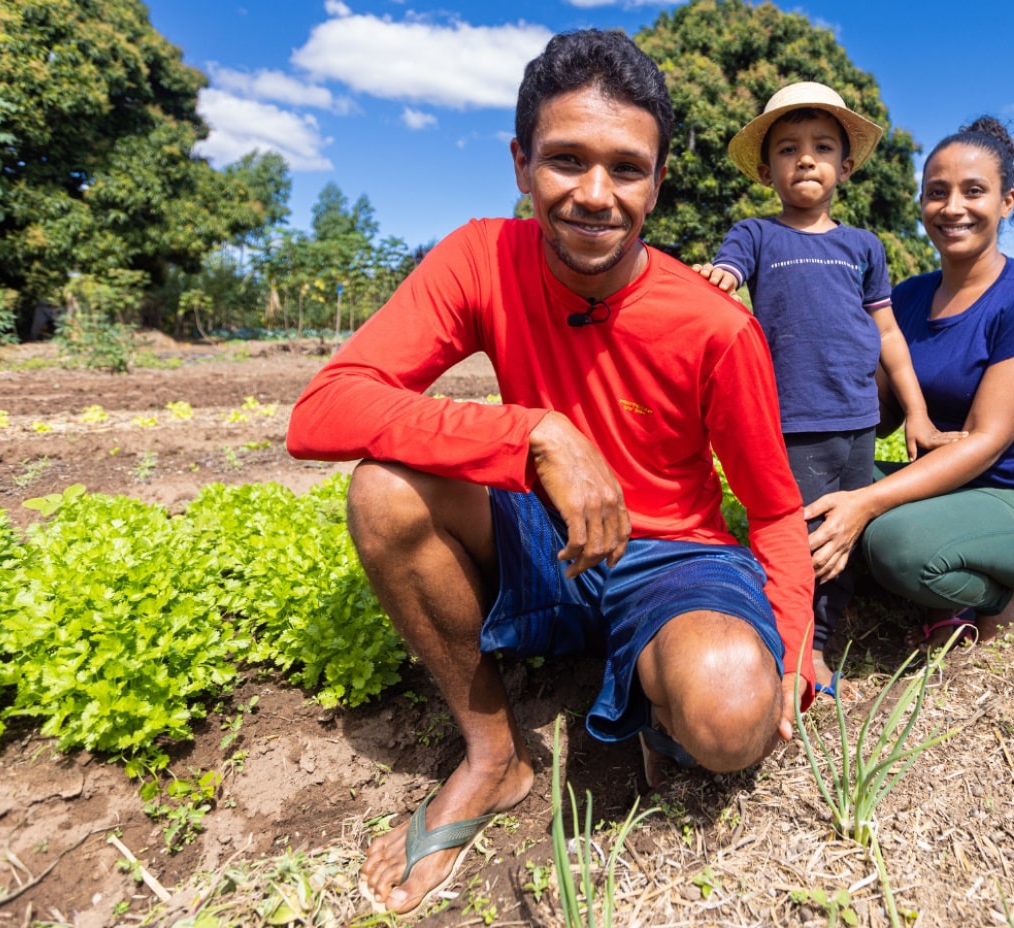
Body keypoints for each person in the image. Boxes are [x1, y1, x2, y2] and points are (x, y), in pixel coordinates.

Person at [284, 30, 815, 916]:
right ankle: (496, 757)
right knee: (384, 488)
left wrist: (791, 643)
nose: (596, 196)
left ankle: (664, 699)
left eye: (627, 168)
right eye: (566, 160)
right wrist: (534, 433)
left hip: (676, 555)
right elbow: (325, 409)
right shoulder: (480, 258)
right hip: (547, 538)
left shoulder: (715, 327)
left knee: (726, 714)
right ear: (522, 162)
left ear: (659, 180)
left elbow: (772, 508)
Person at [803, 116, 1014, 649]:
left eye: (974, 191)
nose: (952, 208)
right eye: (937, 193)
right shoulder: (908, 297)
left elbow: (984, 443)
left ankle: (995, 597)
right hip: (942, 487)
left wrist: (866, 502)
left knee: (897, 546)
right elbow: (879, 416)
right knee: (808, 492)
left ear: (1007, 201)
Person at [693, 82, 936, 695]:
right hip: (790, 422)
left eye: (823, 147)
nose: (806, 158)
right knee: (793, 540)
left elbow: (888, 334)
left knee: (841, 542)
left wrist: (917, 412)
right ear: (766, 169)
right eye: (789, 149)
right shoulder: (755, 235)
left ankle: (819, 641)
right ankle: (791, 646)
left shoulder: (864, 247)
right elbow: (726, 269)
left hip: (856, 420)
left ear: (844, 167)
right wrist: (719, 276)